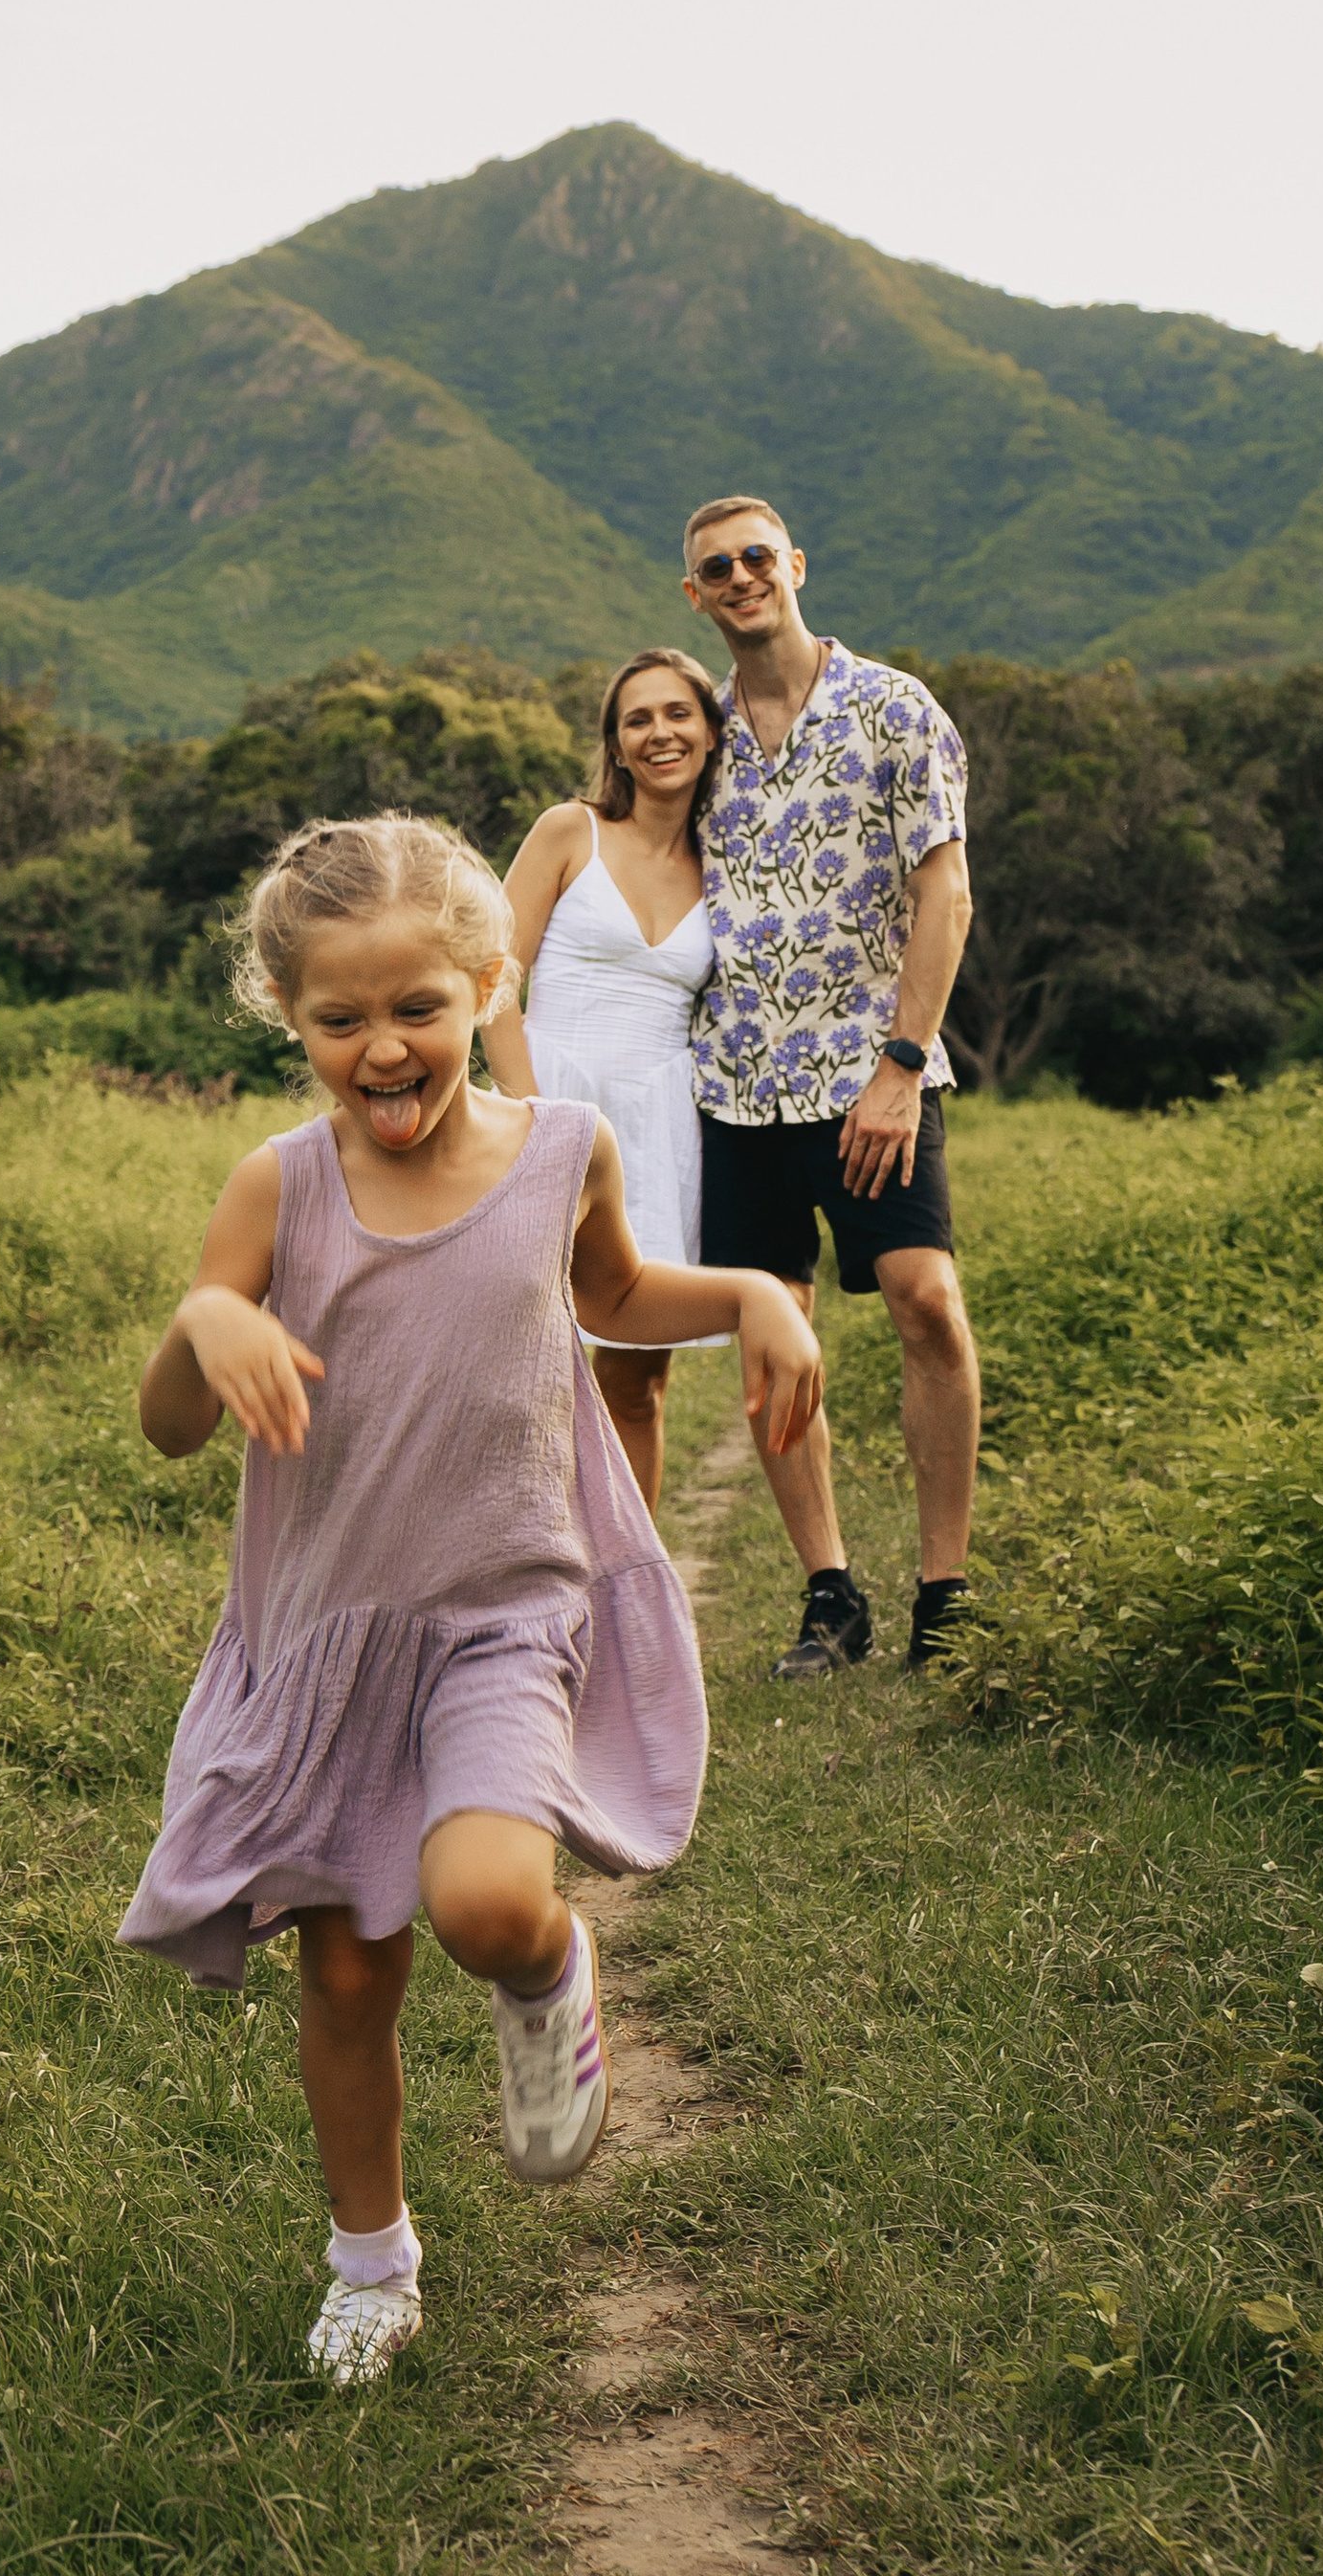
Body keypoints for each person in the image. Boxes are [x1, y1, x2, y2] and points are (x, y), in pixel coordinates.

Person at [120, 811, 823, 2387]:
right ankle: (372, 2262)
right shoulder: (275, 1188)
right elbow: (171, 1422)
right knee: (350, 1971)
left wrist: (756, 1294)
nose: (383, 1047)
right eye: (340, 1019)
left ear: (487, 981)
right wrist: (202, 1323)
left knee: (491, 1901)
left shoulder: (564, 1148)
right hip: (330, 1632)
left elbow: (612, 1294)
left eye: (418, 1008)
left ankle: (546, 1974)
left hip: (511, 1611)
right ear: (289, 1020)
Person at [678, 496, 986, 1683]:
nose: (744, 576)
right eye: (719, 568)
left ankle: (944, 1592)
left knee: (924, 1300)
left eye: (760, 556)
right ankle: (830, 1594)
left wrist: (901, 1067)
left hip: (870, 1077)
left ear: (795, 565)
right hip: (735, 1086)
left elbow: (943, 896)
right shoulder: (689, 735)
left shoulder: (894, 709)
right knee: (776, 1341)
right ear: (696, 596)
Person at [486, 649, 727, 1509]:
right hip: (547, 1096)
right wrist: (529, 1112)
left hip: (658, 1128)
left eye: (677, 714)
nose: (660, 732)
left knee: (634, 1384)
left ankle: (626, 1602)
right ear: (617, 747)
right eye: (638, 719)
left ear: (709, 732)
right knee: (522, 1372)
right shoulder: (569, 830)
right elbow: (491, 979)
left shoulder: (727, 864)